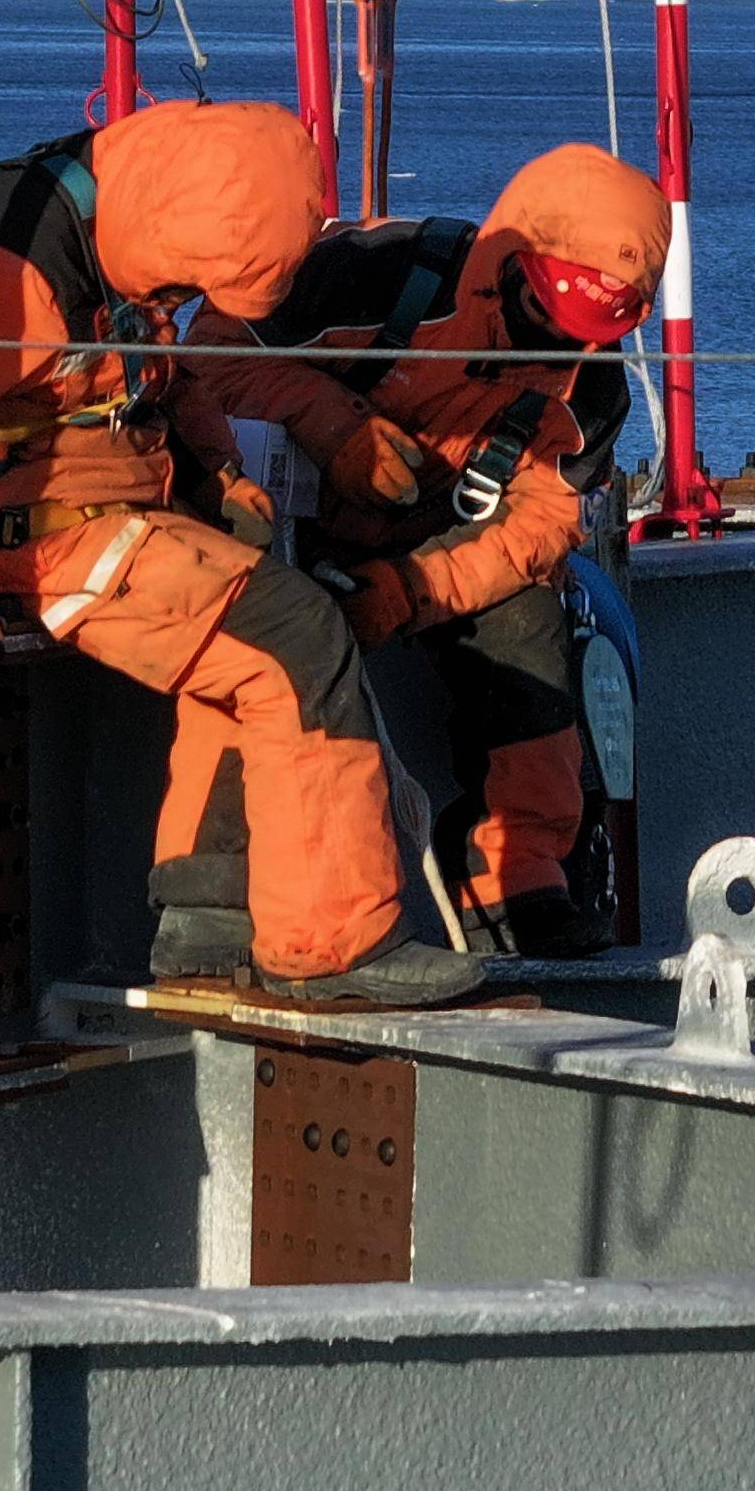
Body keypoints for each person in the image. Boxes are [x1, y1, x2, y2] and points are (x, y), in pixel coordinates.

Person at [0, 97, 481, 1009]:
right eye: (184, 289)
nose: (181, 304)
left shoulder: (113, 212)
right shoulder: (3, 273)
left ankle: (209, 921)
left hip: (87, 506)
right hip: (27, 540)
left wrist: (217, 479)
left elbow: (153, 373)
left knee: (247, 647)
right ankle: (333, 946)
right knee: (296, 638)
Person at [191, 142, 667, 960]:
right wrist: (335, 428)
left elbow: (542, 525)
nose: (564, 343)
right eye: (550, 314)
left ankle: (513, 876)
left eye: (593, 330)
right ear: (515, 257)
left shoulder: (593, 388)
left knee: (526, 621)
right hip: (283, 521)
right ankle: (235, 889)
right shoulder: (372, 271)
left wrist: (411, 589)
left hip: (427, 547)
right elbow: (203, 356)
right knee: (262, 635)